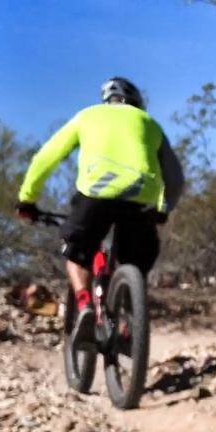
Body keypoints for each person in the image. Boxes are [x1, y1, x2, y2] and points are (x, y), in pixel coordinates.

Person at [15, 77, 184, 343]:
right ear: (137, 102)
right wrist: (163, 209)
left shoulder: (87, 116)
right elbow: (175, 178)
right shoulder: (149, 123)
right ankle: (128, 317)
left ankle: (83, 304)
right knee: (136, 261)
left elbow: (47, 156)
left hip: (95, 197)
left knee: (77, 252)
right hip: (141, 202)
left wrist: (27, 199)